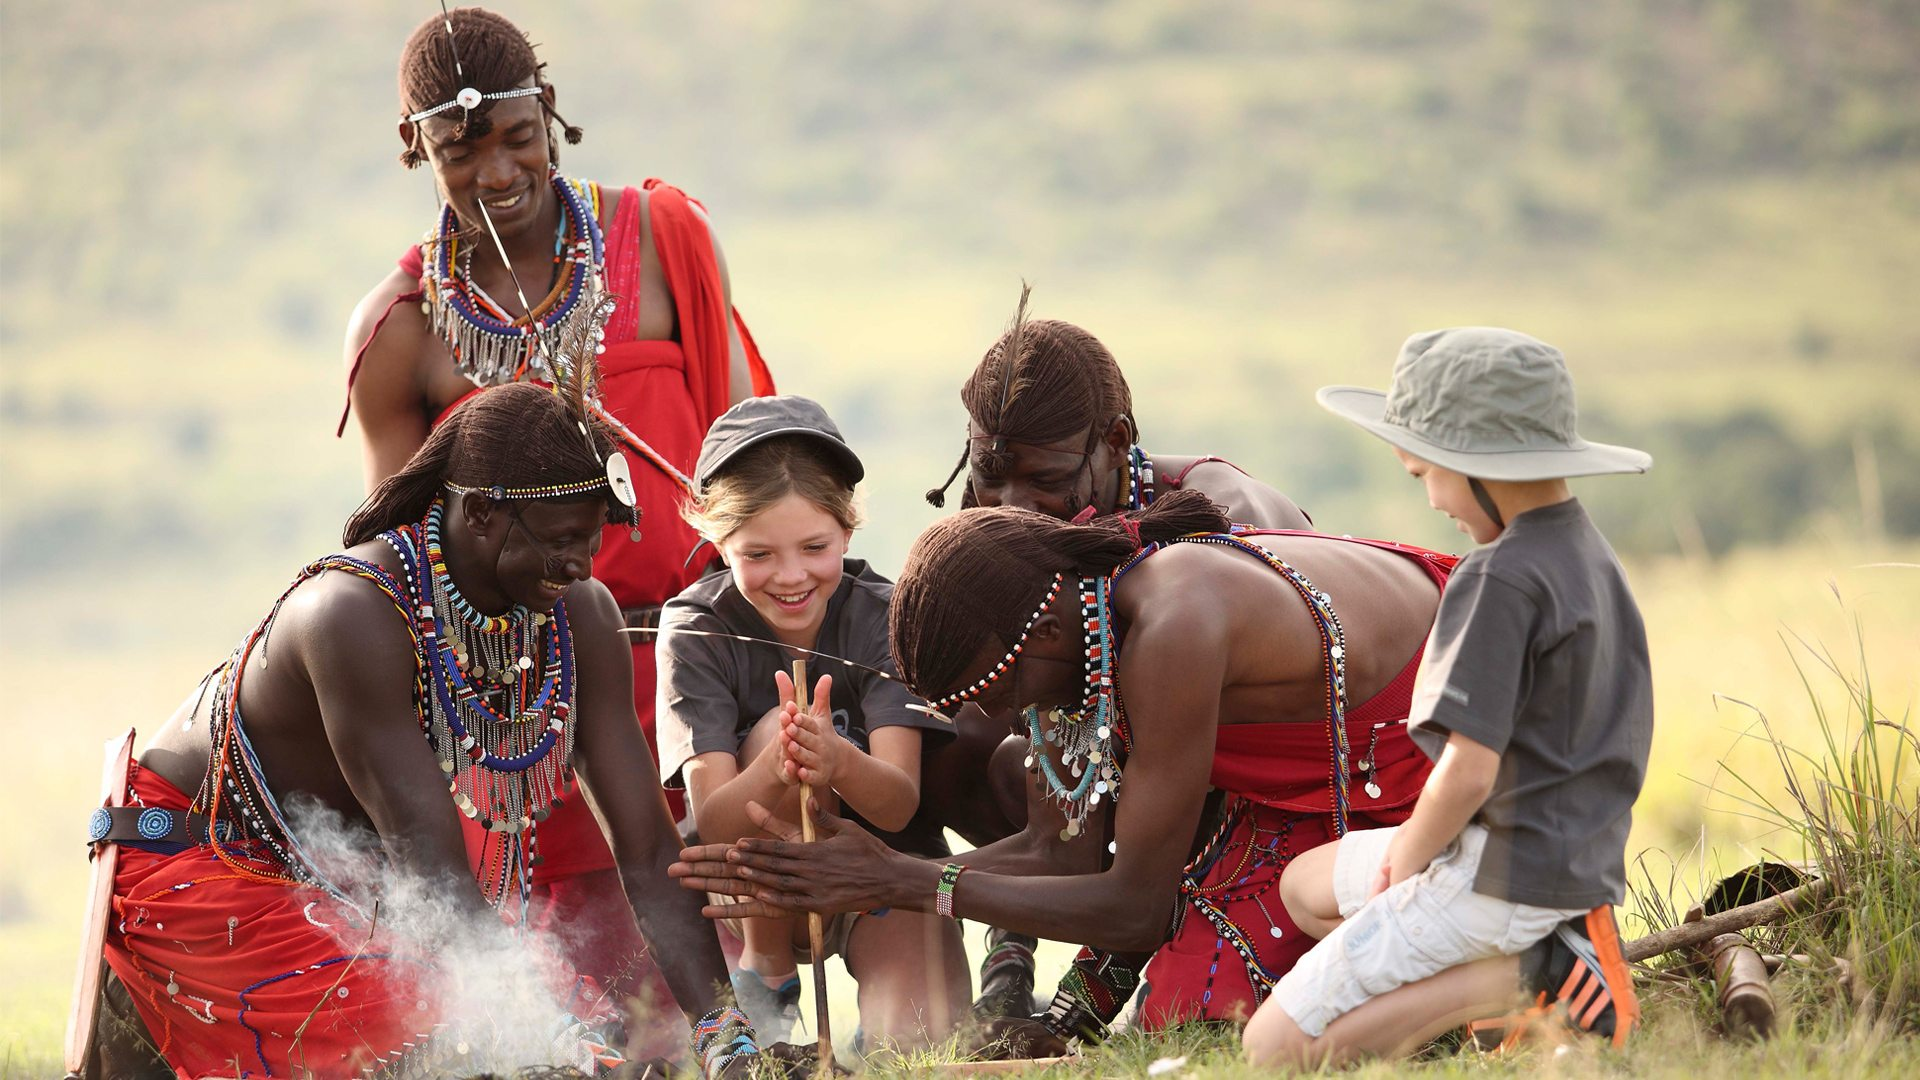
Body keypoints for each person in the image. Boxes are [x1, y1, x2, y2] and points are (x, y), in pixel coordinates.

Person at [94, 381, 780, 1079]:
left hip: (347, 884)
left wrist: (725, 1034)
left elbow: (645, 850)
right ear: (481, 513)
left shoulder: (582, 616)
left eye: (593, 539)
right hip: (200, 866)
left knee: (566, 1035)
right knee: (461, 1044)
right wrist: (545, 1040)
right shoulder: (352, 615)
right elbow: (438, 883)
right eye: (562, 541)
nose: (582, 565)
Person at [338, 6, 774, 1003]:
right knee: (587, 1015)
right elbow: (407, 574)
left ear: (550, 114)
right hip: (533, 700)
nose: (496, 172)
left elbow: (746, 466)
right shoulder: (402, 330)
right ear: (417, 149)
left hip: (702, 660)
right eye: (460, 148)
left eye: (517, 137)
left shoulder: (665, 239)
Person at [672, 488, 1458, 1040]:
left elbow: (1135, 907)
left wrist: (899, 881)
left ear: (1038, 639)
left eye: (988, 690)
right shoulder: (1073, 625)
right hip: (1308, 788)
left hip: (1423, 761)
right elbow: (1062, 850)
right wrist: (878, 876)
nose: (987, 717)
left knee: (1207, 1013)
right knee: (1187, 1002)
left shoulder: (1173, 624)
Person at [1240, 327, 1653, 1065]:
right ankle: (1488, 985)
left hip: (1497, 872)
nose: (1431, 499)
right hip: (1571, 862)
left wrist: (1409, 859)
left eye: (1423, 473)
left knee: (1269, 1051)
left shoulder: (1500, 577)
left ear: (1478, 465)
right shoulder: (1588, 552)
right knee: (1305, 886)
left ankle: (1527, 980)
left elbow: (1468, 769)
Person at [919, 289, 1319, 1019]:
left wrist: (1082, 1007)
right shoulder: (1002, 532)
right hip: (1136, 803)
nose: (1010, 505)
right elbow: (1056, 766)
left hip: (1277, 806)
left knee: (1193, 1017)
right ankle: (1013, 960)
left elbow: (1198, 780)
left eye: (1043, 479)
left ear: (1115, 441)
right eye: (988, 474)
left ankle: (1109, 973)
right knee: (958, 732)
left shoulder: (1223, 526)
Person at [654, 395, 968, 1049]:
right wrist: (778, 764)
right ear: (718, 541)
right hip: (750, 898)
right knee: (781, 729)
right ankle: (765, 974)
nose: (791, 576)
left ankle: (862, 1042)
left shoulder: (886, 611)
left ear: (848, 531)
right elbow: (714, 820)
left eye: (814, 547)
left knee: (915, 1045)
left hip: (882, 874)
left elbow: (896, 803)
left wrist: (840, 761)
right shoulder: (693, 628)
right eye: (758, 554)